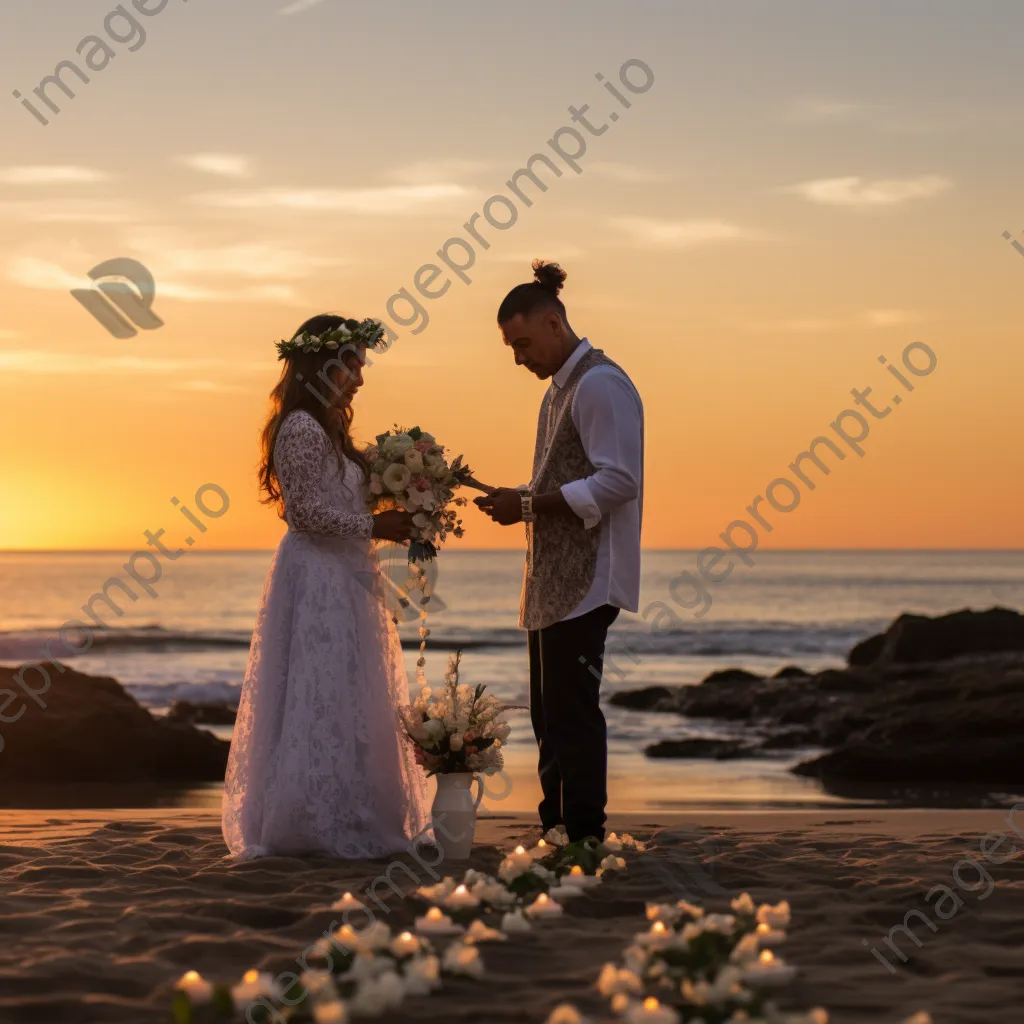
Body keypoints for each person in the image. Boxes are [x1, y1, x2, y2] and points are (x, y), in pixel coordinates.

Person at [222, 313, 430, 859]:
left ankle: (355, 808)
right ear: (326, 365)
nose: (360, 378)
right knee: (316, 689)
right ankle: (307, 819)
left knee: (351, 690)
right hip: (315, 577)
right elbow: (303, 512)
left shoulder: (331, 430)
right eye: (354, 366)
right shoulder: (300, 427)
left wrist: (409, 499)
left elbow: (337, 499)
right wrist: (374, 526)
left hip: (347, 575)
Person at [475, 261, 644, 843]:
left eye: (522, 343)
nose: (518, 358)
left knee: (572, 712)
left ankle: (584, 833)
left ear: (554, 323)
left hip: (588, 576)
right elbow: (556, 480)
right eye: (511, 348)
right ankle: (557, 829)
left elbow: (619, 481)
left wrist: (527, 507)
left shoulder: (599, 383)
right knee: (547, 715)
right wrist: (516, 497)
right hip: (551, 577)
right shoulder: (560, 391)